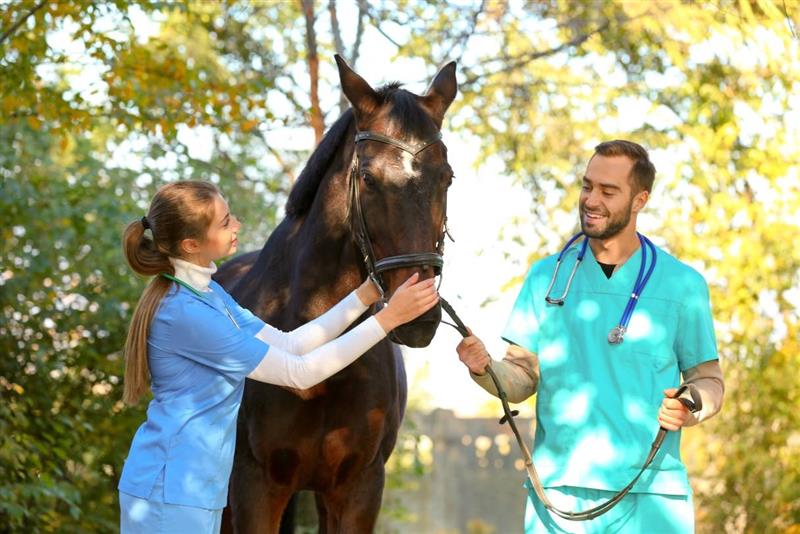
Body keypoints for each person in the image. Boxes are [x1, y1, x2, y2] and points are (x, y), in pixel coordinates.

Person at [118, 180, 439, 533]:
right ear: (191, 244)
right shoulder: (187, 313)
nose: (237, 225)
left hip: (195, 488)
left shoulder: (210, 296)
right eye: (225, 222)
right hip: (169, 490)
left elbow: (291, 343)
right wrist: (387, 319)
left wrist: (365, 296)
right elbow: (298, 373)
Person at [456, 140, 724, 533]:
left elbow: (709, 381)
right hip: (559, 496)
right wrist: (485, 369)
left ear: (640, 200)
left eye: (608, 191)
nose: (591, 200)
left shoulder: (683, 285)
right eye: (587, 186)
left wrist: (690, 403)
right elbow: (522, 378)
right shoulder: (545, 278)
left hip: (651, 496)